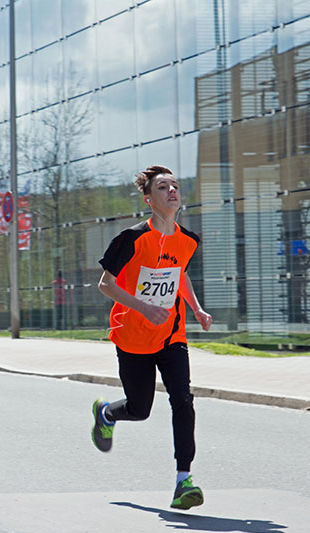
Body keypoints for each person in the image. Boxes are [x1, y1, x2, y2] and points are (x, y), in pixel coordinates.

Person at [91, 165, 213, 510]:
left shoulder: (188, 240)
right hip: (132, 335)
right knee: (139, 409)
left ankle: (183, 480)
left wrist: (197, 308)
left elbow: (180, 274)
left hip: (171, 333)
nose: (172, 191)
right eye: (162, 187)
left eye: (175, 185)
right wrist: (144, 307)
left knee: (183, 400)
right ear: (149, 200)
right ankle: (106, 413)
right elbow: (105, 285)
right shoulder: (130, 239)